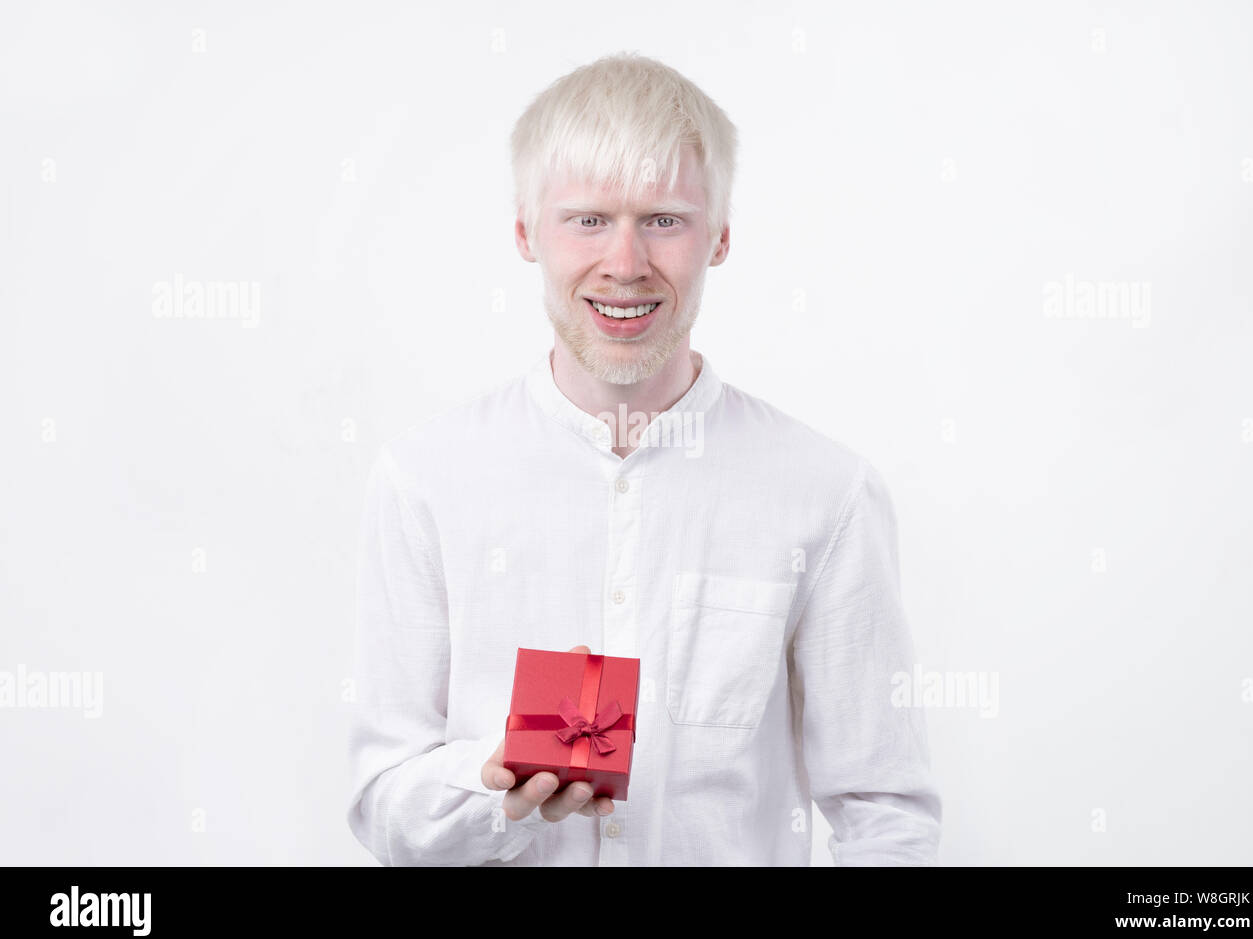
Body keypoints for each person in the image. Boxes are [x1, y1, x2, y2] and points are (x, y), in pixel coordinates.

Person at [346, 52, 941, 865]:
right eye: (588, 219)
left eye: (664, 219)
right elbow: (380, 803)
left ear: (721, 237)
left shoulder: (826, 494)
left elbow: (886, 814)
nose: (625, 264)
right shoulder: (424, 482)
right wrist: (490, 788)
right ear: (525, 232)